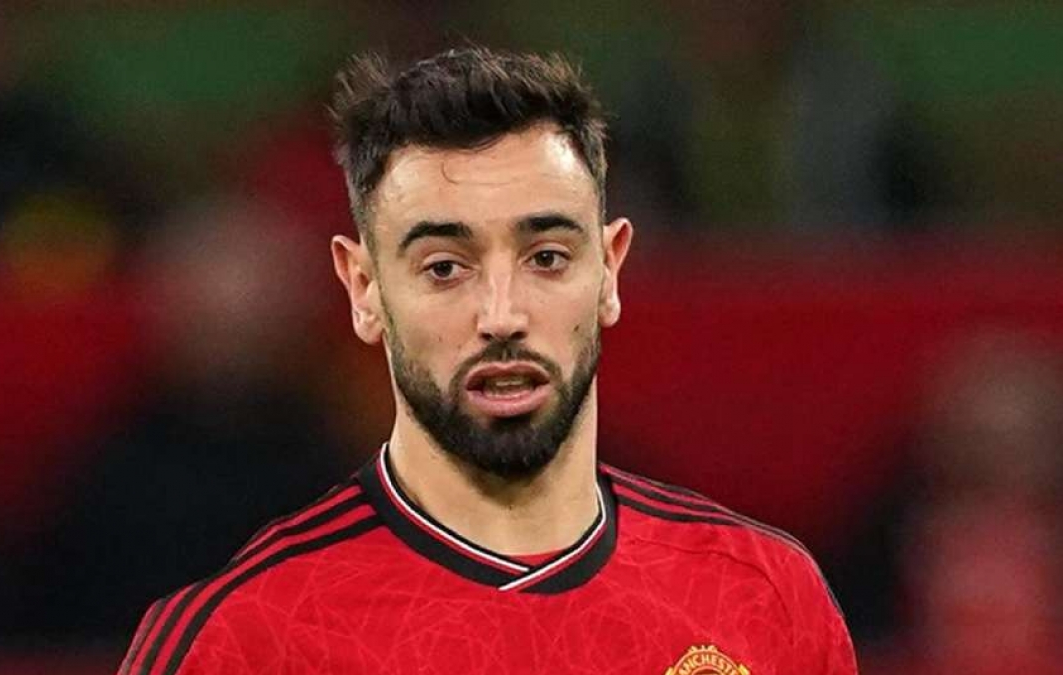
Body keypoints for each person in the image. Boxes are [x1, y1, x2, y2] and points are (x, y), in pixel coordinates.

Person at [118, 47, 857, 675]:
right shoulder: (240, 641)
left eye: (546, 257)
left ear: (609, 271)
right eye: (445, 267)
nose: (501, 315)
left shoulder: (766, 597)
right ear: (364, 289)